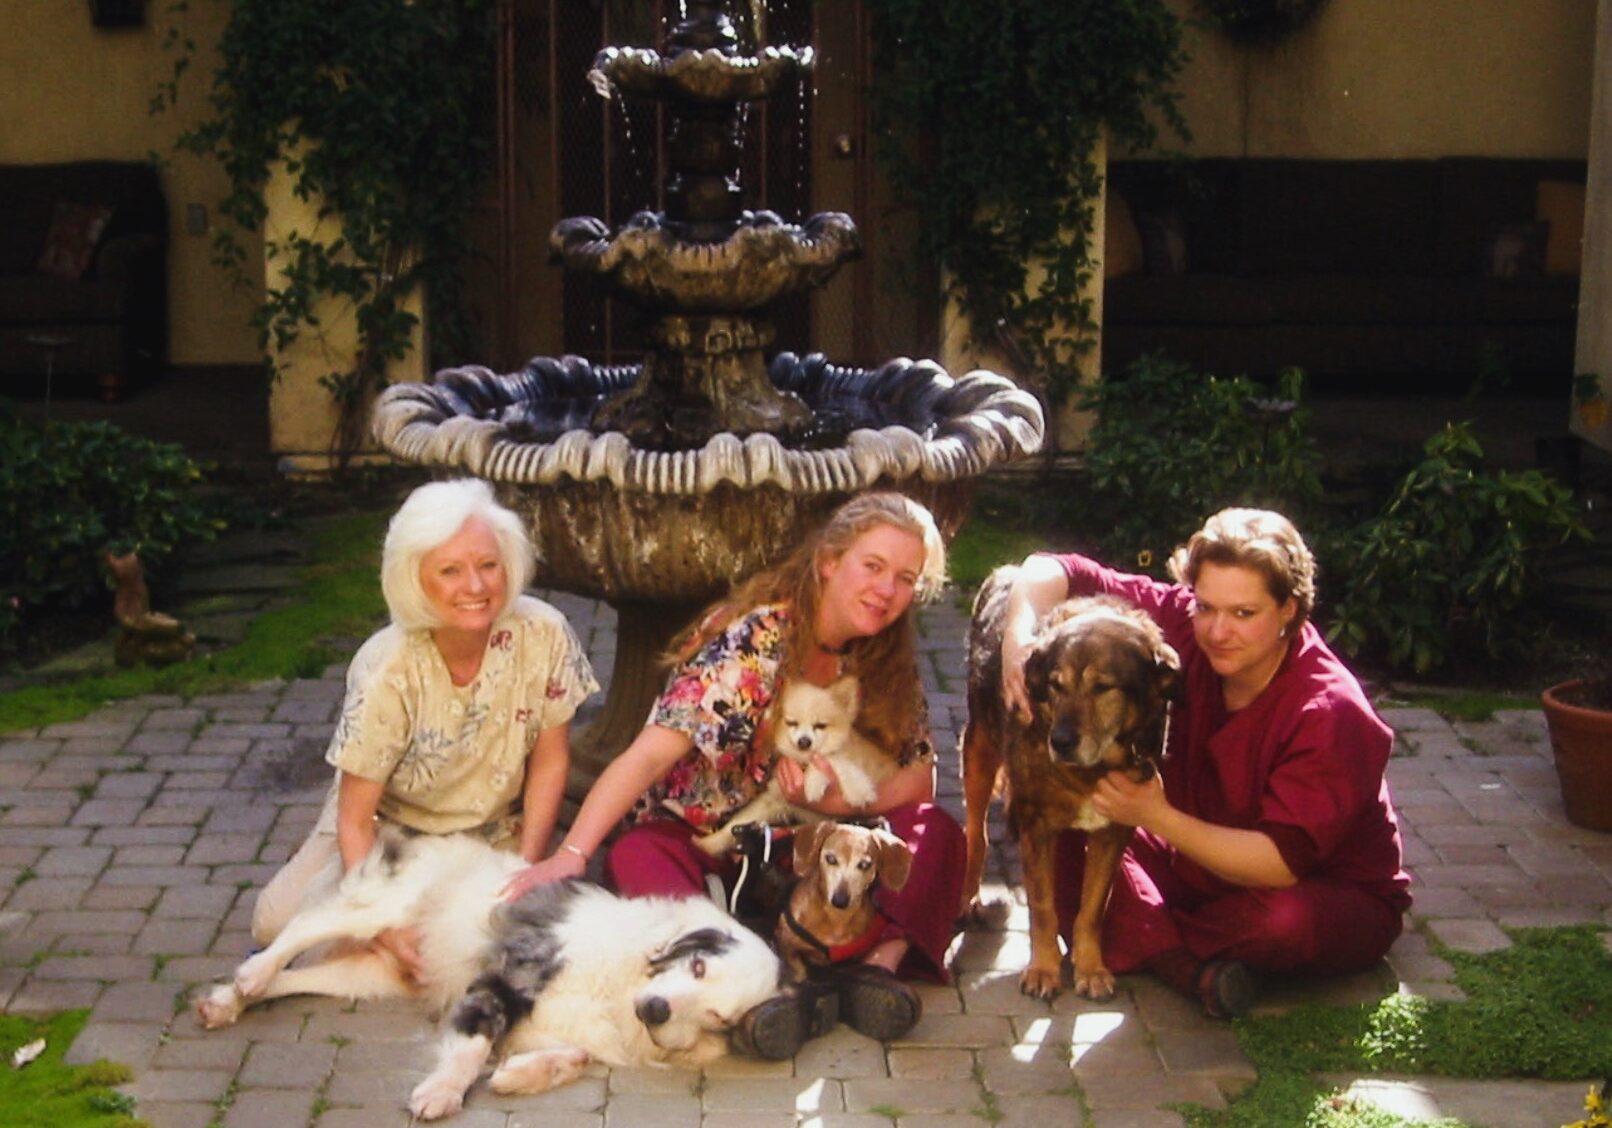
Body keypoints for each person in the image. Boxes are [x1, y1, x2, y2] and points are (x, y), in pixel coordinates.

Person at [503, 491, 967, 1057]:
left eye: (905, 578)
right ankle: (753, 977)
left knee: (936, 832)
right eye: (873, 567)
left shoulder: (883, 657)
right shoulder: (754, 639)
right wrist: (571, 853)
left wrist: (841, 810)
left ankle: (873, 971)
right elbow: (650, 755)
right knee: (633, 857)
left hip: (822, 852)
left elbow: (921, 780)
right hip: (710, 836)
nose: (887, 590)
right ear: (829, 562)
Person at [998, 507, 1411, 1018]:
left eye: (1244, 614)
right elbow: (1050, 570)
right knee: (1062, 842)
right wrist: (1018, 641)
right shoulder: (1186, 627)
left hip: (1306, 887)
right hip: (1189, 860)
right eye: (1206, 606)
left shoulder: (1329, 711)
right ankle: (1192, 960)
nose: (1217, 631)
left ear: (1289, 609)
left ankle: (1171, 958)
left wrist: (1156, 816)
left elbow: (1279, 864)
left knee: (1283, 924)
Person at [251, 478, 599, 977]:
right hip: (384, 824)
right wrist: (383, 928)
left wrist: (525, 865)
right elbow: (357, 818)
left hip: (491, 825)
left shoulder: (544, 632)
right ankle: (320, 857)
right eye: (450, 571)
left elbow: (550, 759)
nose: (476, 587)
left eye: (488, 565)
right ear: (415, 578)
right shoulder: (386, 667)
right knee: (275, 927)